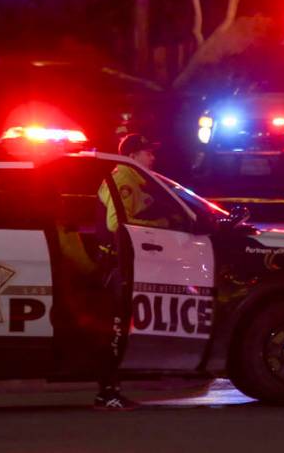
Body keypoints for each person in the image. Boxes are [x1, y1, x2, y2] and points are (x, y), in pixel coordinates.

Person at [90, 133, 160, 410]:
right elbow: (115, 224)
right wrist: (159, 223)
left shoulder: (136, 182)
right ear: (132, 156)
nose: (152, 157)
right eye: (147, 152)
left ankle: (110, 390)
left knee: (119, 330)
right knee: (116, 330)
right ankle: (108, 393)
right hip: (115, 266)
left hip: (123, 264)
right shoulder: (124, 181)